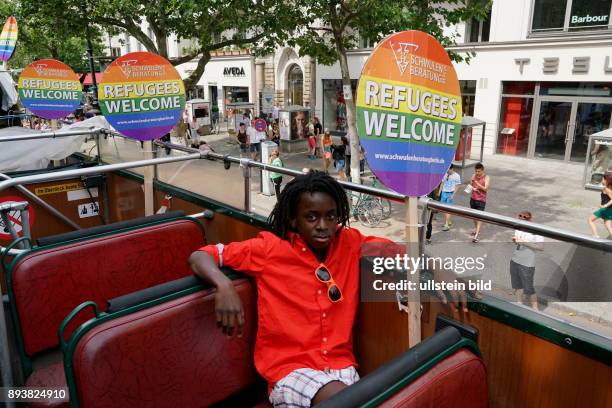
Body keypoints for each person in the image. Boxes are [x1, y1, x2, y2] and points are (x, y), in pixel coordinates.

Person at [188, 172, 467, 407]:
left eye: (330, 217)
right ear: (294, 220)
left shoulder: (349, 242)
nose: (323, 226)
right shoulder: (269, 249)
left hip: (342, 368)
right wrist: (223, 284)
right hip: (290, 370)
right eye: (311, 217)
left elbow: (397, 251)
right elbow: (202, 255)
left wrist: (437, 265)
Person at [510, 211, 544, 309]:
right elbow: (518, 243)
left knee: (529, 288)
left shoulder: (536, 230)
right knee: (517, 285)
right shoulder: (518, 228)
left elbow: (541, 247)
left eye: (525, 217)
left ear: (530, 219)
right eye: (520, 216)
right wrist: (515, 241)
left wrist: (524, 243)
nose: (522, 218)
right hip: (515, 259)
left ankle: (535, 308)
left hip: (527, 264)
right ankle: (519, 304)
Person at [469, 163, 490, 243]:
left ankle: (476, 236)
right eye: (476, 171)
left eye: (479, 171)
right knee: (474, 217)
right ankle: (477, 229)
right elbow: (469, 186)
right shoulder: (473, 176)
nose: (477, 173)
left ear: (482, 170)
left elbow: (486, 189)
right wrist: (472, 188)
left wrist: (477, 184)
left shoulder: (486, 177)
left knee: (479, 217)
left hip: (481, 200)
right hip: (473, 199)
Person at [587, 173, 612, 238]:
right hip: (609, 209)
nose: (602, 180)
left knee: (590, 220)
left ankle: (595, 235)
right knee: (608, 225)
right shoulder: (609, 188)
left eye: (603, 179)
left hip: (606, 209)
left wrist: (605, 205)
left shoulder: (607, 189)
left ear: (607, 181)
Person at [440, 164, 461, 231]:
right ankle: (448, 221)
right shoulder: (445, 174)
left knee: (448, 209)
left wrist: (453, 195)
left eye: (448, 170)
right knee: (442, 209)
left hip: (450, 193)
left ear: (451, 169)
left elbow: (458, 186)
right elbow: (442, 183)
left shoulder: (456, 176)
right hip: (443, 192)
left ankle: (446, 224)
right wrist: (439, 193)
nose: (447, 171)